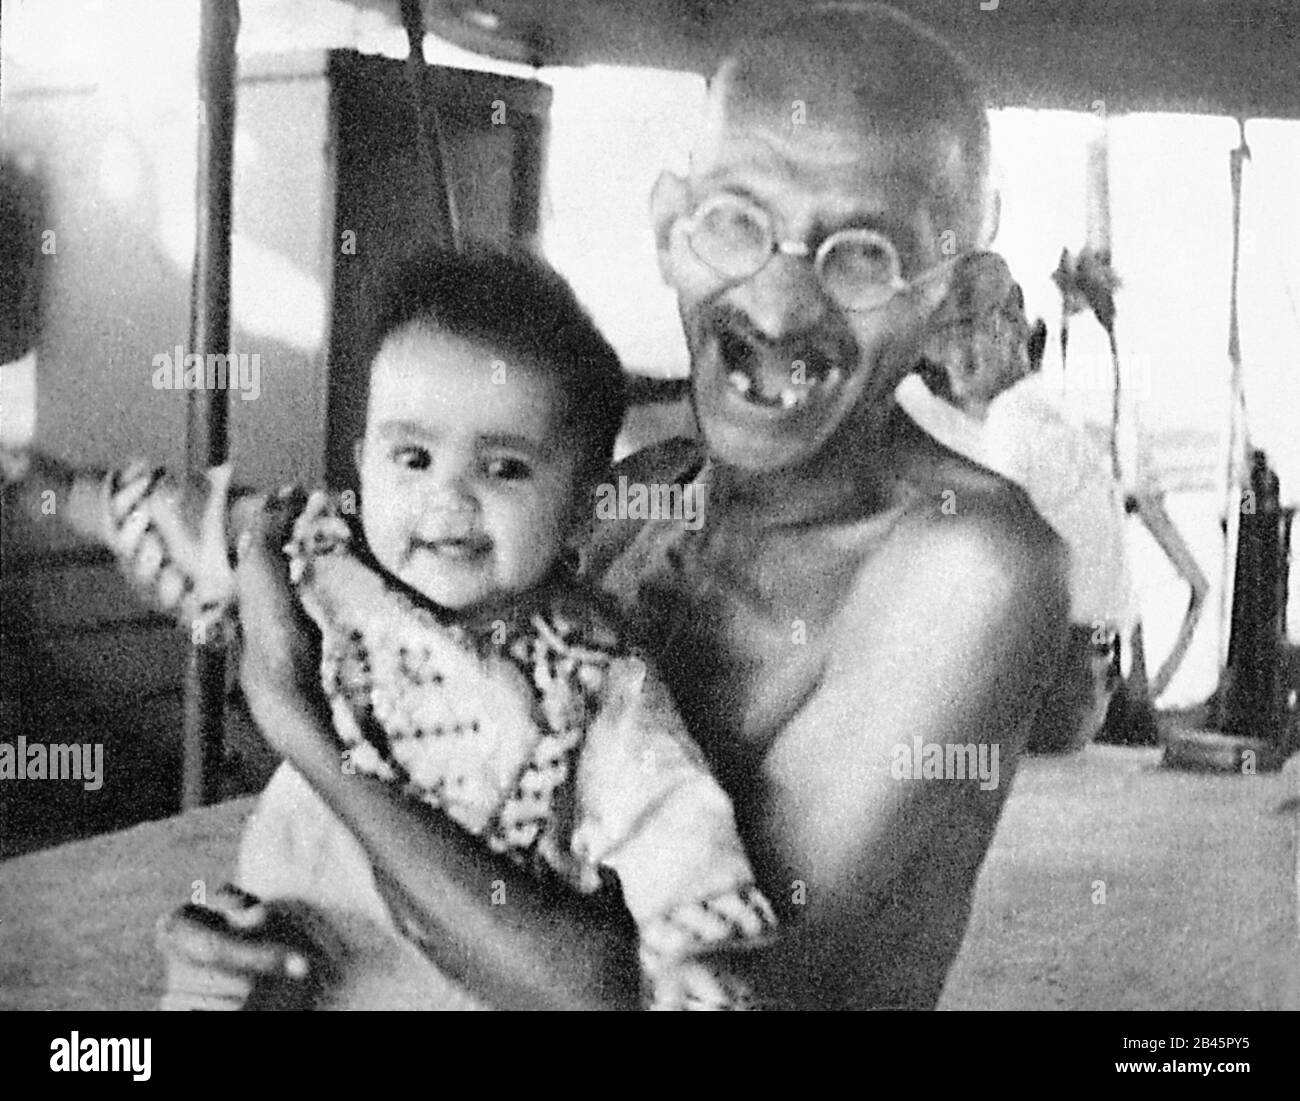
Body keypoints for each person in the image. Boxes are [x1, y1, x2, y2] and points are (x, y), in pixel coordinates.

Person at [159, 1, 1070, 1011]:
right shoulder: (637, 494)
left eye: (863, 255)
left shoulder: (968, 561)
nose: (775, 305)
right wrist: (283, 938)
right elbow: (472, 809)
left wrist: (305, 734)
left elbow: (645, 997)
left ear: (954, 295)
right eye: (738, 223)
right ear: (670, 228)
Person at [3, 247, 779, 1010]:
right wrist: (46, 481)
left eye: (504, 467)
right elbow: (187, 521)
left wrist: (694, 957)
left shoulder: (593, 674)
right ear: (363, 464)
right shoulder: (320, 565)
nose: (449, 496)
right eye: (412, 457)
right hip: (286, 945)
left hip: (457, 979)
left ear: (582, 503)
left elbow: (673, 820)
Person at [897, 251, 1135, 750]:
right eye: (942, 337)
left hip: (1055, 696)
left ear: (1010, 323)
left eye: (969, 330)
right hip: (1088, 685)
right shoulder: (1049, 414)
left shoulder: (1013, 427)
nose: (952, 354)